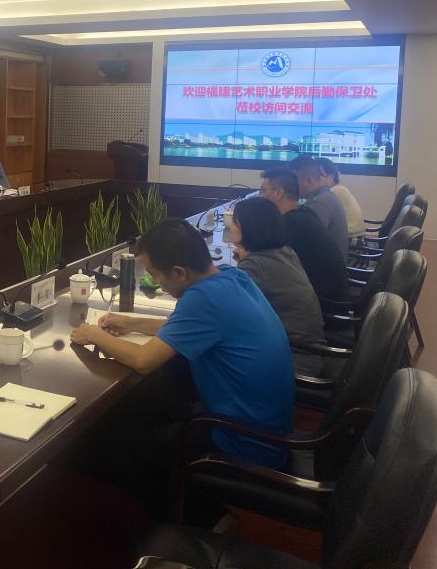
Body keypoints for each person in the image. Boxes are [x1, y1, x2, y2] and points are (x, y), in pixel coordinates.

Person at [67, 219, 294, 517]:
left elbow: (143, 361)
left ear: (178, 273)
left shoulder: (203, 299)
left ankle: (197, 520)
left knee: (120, 449)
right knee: (154, 405)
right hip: (268, 427)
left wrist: (93, 334)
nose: (155, 282)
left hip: (244, 441)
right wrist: (132, 322)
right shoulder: (230, 276)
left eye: (154, 275)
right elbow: (194, 326)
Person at [230, 197, 327, 376]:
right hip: (311, 350)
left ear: (247, 227)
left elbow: (231, 316)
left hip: (293, 359)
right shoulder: (285, 251)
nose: (230, 227)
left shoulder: (254, 265)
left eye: (234, 222)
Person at [259, 167, 348, 301]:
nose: (259, 196)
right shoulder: (304, 215)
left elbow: (263, 259)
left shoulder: (291, 224)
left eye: (262, 190)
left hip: (323, 306)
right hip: (329, 298)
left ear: (278, 193)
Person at [289, 154, 349, 260]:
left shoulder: (320, 202)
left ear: (308, 181)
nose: (290, 185)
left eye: (293, 181)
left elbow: (302, 238)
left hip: (327, 267)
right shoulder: (325, 196)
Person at [317, 157, 366, 242]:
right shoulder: (340, 189)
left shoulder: (333, 192)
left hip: (352, 241)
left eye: (320, 175)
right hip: (354, 238)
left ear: (331, 176)